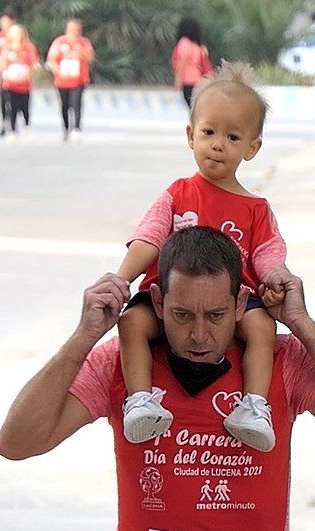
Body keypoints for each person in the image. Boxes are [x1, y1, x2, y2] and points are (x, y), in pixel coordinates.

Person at [0, 226, 315, 531]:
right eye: (183, 315)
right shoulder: (122, 362)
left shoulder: (281, 362)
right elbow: (17, 444)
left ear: (242, 304)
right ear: (156, 301)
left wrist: (302, 324)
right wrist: (83, 337)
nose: (200, 335)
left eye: (217, 315)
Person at [115, 62, 288, 452]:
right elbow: (150, 237)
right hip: (169, 302)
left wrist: (276, 278)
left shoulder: (256, 209)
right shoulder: (178, 194)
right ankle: (140, 400)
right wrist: (121, 279)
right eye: (208, 132)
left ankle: (254, 406)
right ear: (191, 135)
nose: (217, 144)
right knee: (131, 323)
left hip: (232, 307)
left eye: (232, 136)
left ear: (252, 148)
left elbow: (268, 254)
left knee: (262, 328)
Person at [47, 19, 95, 142]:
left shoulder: (84, 43)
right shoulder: (59, 42)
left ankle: (77, 128)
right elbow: (51, 60)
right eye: (71, 30)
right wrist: (56, 69)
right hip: (62, 81)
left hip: (78, 80)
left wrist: (80, 50)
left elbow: (90, 58)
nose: (74, 32)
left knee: (76, 103)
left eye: (76, 30)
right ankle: (66, 127)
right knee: (65, 105)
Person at [0, 24, 39, 142]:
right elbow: (2, 64)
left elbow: (33, 64)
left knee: (25, 107)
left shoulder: (29, 48)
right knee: (11, 107)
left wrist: (29, 74)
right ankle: (12, 130)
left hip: (24, 84)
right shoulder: (7, 48)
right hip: (10, 83)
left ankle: (26, 126)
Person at [172, 17, 212, 108]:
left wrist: (178, 81)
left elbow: (182, 62)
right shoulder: (198, 46)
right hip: (200, 81)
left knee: (193, 109)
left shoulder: (184, 43)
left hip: (188, 81)